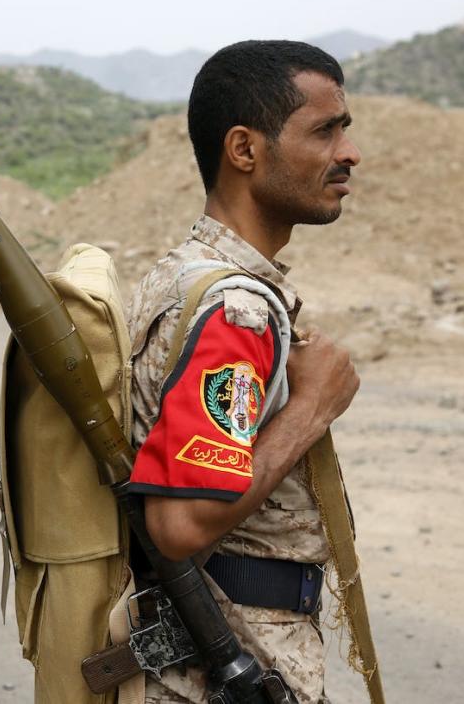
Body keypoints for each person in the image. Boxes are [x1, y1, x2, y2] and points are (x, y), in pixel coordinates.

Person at [126, 40, 362, 703]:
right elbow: (181, 525)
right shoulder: (237, 310)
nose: (349, 153)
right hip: (228, 662)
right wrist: (314, 405)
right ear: (245, 150)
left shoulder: (182, 272)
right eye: (325, 130)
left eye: (345, 128)